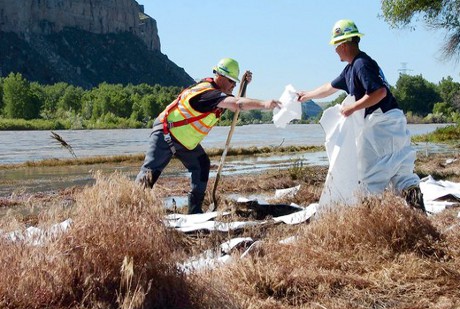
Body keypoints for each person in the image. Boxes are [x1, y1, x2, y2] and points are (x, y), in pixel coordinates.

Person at [297, 19, 427, 213]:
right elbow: (328, 87)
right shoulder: (353, 67)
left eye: (336, 46)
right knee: (402, 173)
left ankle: (369, 223)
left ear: (344, 45)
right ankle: (420, 217)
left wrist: (352, 108)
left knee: (370, 177)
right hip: (393, 121)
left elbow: (379, 92)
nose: (335, 51)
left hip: (382, 124)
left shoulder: (361, 64)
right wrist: (307, 95)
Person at [135, 58, 281, 214]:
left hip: (185, 143)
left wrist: (244, 86)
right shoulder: (207, 94)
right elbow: (237, 104)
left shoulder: (218, 95)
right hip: (165, 134)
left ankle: (194, 210)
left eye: (236, 83)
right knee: (150, 174)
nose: (233, 85)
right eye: (232, 81)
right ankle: (132, 207)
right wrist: (264, 104)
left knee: (202, 164)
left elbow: (235, 102)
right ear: (220, 77)